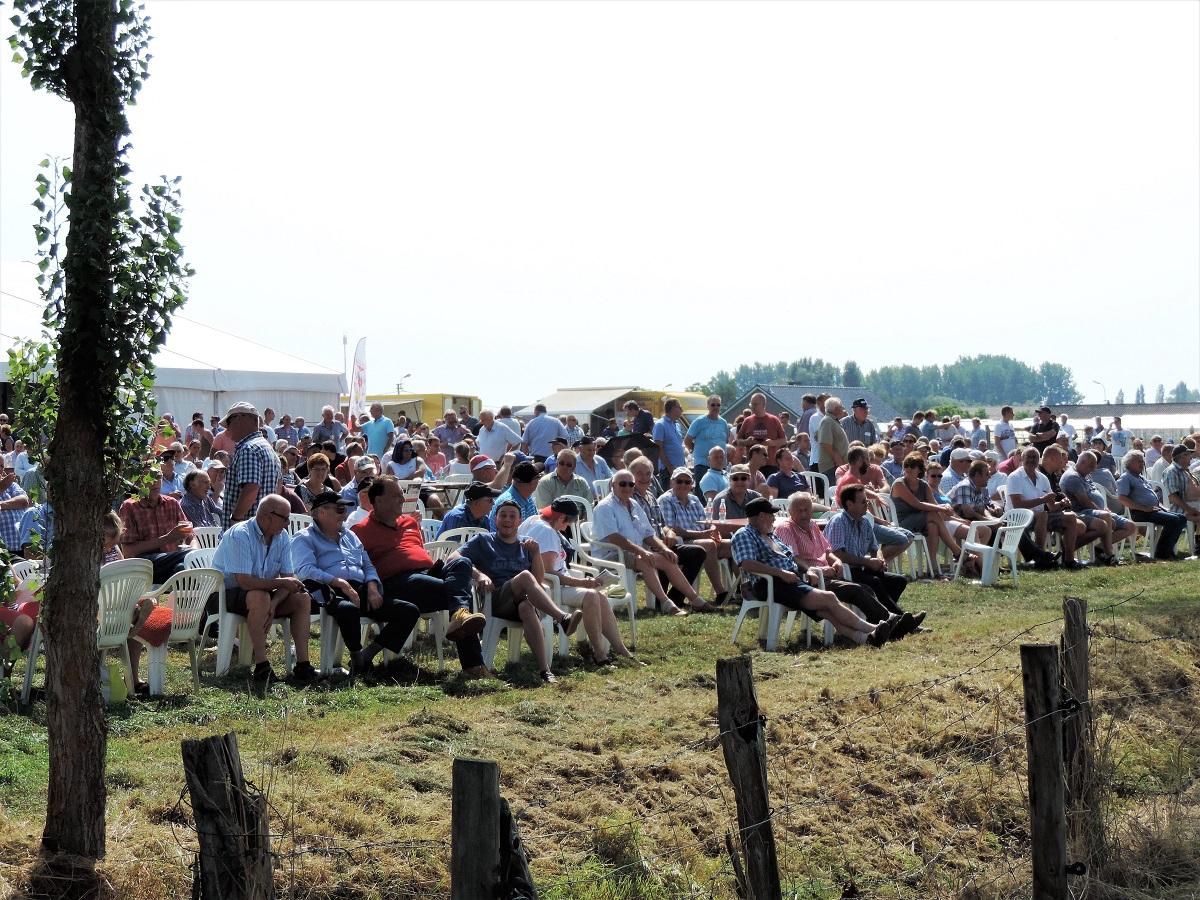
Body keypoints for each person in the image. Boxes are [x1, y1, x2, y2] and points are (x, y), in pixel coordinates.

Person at [352, 476, 491, 678]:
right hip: (395, 582)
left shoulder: (409, 522)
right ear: (378, 500)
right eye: (395, 496)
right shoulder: (360, 531)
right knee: (459, 595)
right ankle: (473, 664)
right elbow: (359, 568)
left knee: (462, 563)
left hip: (427, 574)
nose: (402, 499)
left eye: (402, 495)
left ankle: (459, 616)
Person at [733, 497, 900, 647]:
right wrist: (780, 573)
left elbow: (792, 557)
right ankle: (874, 628)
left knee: (826, 609)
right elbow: (747, 564)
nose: (774, 518)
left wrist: (810, 570)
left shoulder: (769, 534)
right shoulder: (745, 534)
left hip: (791, 581)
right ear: (761, 516)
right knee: (829, 598)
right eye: (771, 514)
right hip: (771, 584)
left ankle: (867, 638)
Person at [290, 490, 415, 678]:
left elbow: (368, 565)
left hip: (360, 590)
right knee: (348, 610)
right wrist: (338, 582)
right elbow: (305, 570)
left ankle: (367, 655)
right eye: (340, 510)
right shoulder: (304, 537)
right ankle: (357, 659)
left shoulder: (350, 536)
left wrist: (373, 586)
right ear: (321, 512)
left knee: (409, 610)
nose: (345, 514)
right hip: (326, 591)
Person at [455, 500, 582, 684]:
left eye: (512, 516)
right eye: (503, 515)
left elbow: (537, 582)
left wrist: (536, 553)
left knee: (527, 608)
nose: (507, 519)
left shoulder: (527, 544)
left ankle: (545, 671)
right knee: (524, 576)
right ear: (495, 519)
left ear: (519, 521)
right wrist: (479, 574)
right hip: (495, 600)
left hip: (520, 602)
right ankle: (562, 618)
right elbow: (454, 556)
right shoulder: (484, 540)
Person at [775, 492, 924, 633]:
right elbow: (793, 558)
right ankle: (894, 623)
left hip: (830, 574)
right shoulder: (786, 528)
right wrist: (814, 569)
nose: (803, 514)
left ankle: (885, 623)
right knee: (859, 589)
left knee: (868, 587)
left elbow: (828, 551)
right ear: (790, 511)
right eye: (799, 510)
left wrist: (837, 561)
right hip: (811, 579)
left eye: (807, 510)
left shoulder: (812, 525)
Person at [518, 498, 643, 667]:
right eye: (568, 523)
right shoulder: (546, 532)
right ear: (561, 518)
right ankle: (600, 655)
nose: (567, 527)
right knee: (591, 595)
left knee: (601, 598)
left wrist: (582, 583)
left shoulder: (534, 520)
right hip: (549, 588)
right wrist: (582, 582)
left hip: (554, 584)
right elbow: (547, 572)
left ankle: (620, 649)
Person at [212, 495, 317, 685]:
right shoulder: (240, 534)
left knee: (301, 597)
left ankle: (303, 665)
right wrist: (280, 586)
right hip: (226, 594)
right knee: (260, 597)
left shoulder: (282, 536)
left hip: (261, 593)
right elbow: (244, 582)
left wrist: (275, 603)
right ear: (269, 515)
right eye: (285, 518)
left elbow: (289, 578)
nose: (287, 524)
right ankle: (262, 666)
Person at [592, 470, 711, 616]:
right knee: (645, 560)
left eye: (631, 484)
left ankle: (695, 600)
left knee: (668, 558)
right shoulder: (605, 507)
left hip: (633, 552)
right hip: (612, 554)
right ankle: (667, 604)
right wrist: (642, 551)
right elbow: (615, 538)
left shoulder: (634, 504)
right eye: (623, 484)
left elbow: (648, 534)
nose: (627, 487)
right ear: (613, 485)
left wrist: (664, 548)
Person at [628, 458, 717, 611]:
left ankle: (675, 597)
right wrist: (660, 544)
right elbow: (638, 530)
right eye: (639, 474)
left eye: (648, 474)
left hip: (661, 543)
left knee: (698, 553)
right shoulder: (629, 499)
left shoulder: (650, 496)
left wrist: (668, 533)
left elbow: (662, 525)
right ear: (631, 476)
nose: (644, 478)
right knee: (666, 554)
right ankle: (664, 602)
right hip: (646, 547)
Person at [823, 484, 918, 619]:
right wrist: (867, 562)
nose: (867, 504)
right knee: (874, 582)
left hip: (860, 569)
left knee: (899, 581)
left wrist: (879, 560)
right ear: (849, 504)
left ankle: (881, 616)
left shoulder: (864, 522)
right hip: (844, 572)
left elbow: (875, 547)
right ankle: (898, 619)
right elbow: (838, 554)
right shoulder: (839, 522)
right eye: (863, 501)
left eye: (866, 501)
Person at [657, 466, 733, 605]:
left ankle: (742, 589)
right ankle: (721, 592)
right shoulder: (666, 500)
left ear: (692, 485)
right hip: (682, 543)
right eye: (679, 481)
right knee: (709, 545)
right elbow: (671, 529)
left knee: (734, 544)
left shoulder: (695, 500)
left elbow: (705, 522)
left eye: (687, 482)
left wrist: (712, 528)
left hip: (701, 539)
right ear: (671, 482)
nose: (683, 485)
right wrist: (703, 534)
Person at [1006, 447, 1086, 570]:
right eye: (1029, 457)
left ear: (1039, 460)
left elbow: (1052, 507)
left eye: (1035, 457)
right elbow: (1017, 505)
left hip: (1040, 516)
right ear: (1022, 458)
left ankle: (1068, 560)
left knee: (1070, 517)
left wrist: (1062, 504)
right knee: (1042, 514)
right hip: (1019, 517)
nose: (1032, 460)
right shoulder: (1015, 477)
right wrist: (1042, 500)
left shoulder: (1042, 478)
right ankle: (1041, 558)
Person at [890, 452, 971, 566]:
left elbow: (934, 506)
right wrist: (942, 508)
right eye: (906, 465)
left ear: (919, 470)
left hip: (922, 521)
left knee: (933, 525)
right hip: (902, 522)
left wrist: (946, 509)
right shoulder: (899, 484)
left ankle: (932, 567)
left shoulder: (923, 485)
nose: (908, 468)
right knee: (933, 515)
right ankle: (957, 551)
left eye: (912, 466)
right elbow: (917, 504)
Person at [1060, 451, 1136, 566]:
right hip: (1081, 511)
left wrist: (1104, 508)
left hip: (1096, 510)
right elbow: (1085, 502)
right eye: (1091, 466)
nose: (1093, 469)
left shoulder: (1085, 475)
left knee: (1130, 526)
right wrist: (1103, 512)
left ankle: (1099, 549)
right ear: (1082, 462)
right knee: (1106, 517)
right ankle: (1108, 555)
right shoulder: (1073, 477)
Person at [221, 402, 282, 531]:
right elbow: (278, 487)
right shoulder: (267, 448)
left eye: (229, 423)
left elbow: (251, 488)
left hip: (245, 532)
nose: (227, 429)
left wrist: (235, 520)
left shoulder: (248, 448)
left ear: (241, 418)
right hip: (262, 528)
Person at [1117, 450, 1188, 561]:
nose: (1142, 464)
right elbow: (1122, 498)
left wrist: (1163, 508)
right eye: (1139, 461)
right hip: (1141, 513)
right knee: (1174, 520)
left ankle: (1165, 550)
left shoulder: (1141, 478)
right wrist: (1144, 508)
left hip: (1153, 510)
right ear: (1129, 463)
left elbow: (1153, 498)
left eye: (1142, 461)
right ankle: (1162, 552)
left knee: (1182, 518)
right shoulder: (1126, 478)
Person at [1161, 444, 1200, 532]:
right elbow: (1173, 497)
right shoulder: (1172, 471)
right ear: (1183, 456)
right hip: (1180, 510)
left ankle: (1197, 542)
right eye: (1189, 455)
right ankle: (1197, 543)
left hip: (1191, 507)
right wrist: (1190, 510)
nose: (1191, 458)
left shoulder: (1183, 471)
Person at [492, 461, 541, 525]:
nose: (539, 480)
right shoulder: (509, 504)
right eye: (538, 477)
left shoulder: (527, 497)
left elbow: (535, 524)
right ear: (531, 483)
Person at [817, 397, 850, 484]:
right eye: (841, 407)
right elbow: (825, 443)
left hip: (837, 466)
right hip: (832, 467)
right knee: (834, 494)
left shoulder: (833, 421)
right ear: (836, 409)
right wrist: (838, 460)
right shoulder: (827, 421)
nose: (843, 409)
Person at [652, 398, 687, 476]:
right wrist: (669, 467)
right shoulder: (660, 425)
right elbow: (658, 448)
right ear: (672, 409)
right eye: (679, 407)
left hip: (680, 468)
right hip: (667, 470)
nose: (682, 410)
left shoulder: (677, 425)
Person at [0, 467, 30, 553]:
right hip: (3, 552)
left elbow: (24, 502)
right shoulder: (6, 484)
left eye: (2, 466)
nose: (0, 469)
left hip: (21, 547)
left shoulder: (11, 485)